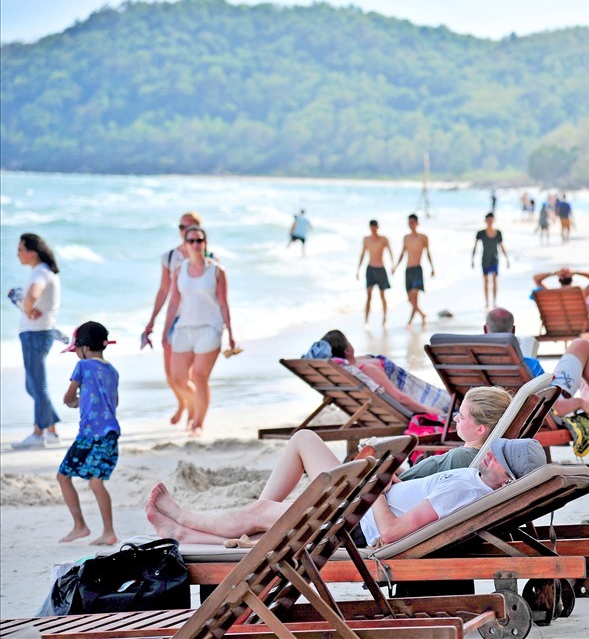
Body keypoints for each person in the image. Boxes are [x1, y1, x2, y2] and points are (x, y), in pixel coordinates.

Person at [146, 437, 546, 546]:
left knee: (260, 512)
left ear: (507, 478)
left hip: (355, 524)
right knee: (273, 506)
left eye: (498, 458)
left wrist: (374, 491)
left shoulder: (463, 490)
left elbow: (389, 534)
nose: (490, 455)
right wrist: (384, 484)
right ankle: (189, 534)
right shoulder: (473, 486)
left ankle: (184, 519)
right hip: (362, 507)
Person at [484, 308, 589, 417]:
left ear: (485, 330)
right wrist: (580, 402)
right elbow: (555, 408)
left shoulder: (468, 364)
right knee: (581, 345)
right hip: (537, 415)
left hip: (493, 415)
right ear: (514, 330)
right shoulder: (527, 364)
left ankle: (586, 390)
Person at [161, 225, 236, 436]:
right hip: (184, 329)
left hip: (210, 328)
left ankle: (198, 423)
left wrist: (230, 333)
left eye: (199, 240)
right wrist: (165, 331)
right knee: (177, 379)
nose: (195, 244)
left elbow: (223, 303)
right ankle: (194, 405)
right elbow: (174, 302)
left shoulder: (217, 271)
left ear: (205, 243)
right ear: (185, 245)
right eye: (191, 241)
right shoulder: (179, 270)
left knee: (199, 378)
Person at [57, 322, 119, 545]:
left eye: (75, 351)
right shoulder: (112, 370)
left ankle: (80, 526)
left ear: (83, 348)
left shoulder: (82, 368)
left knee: (63, 476)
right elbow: (113, 401)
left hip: (89, 435)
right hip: (110, 433)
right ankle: (108, 531)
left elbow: (69, 396)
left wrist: (72, 402)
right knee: (96, 482)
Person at [143, 211, 201, 426]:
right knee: (172, 375)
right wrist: (152, 321)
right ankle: (184, 403)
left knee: (192, 374)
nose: (185, 231)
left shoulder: (208, 257)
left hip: (198, 321)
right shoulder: (170, 257)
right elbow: (163, 290)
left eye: (190, 226)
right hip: (175, 320)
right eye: (181, 227)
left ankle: (196, 412)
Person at [309, 330, 450, 416]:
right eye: (348, 341)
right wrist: (428, 410)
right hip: (431, 400)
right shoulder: (366, 369)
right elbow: (400, 398)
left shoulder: (351, 367)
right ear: (347, 350)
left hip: (429, 391)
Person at [13, 233, 62, 449]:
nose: (18, 254)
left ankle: (37, 433)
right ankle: (51, 430)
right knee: (31, 385)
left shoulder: (40, 272)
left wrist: (26, 307)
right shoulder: (43, 271)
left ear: (31, 252)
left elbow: (33, 295)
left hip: (35, 334)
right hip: (39, 333)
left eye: (20, 249)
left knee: (37, 385)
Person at [393, 214, 435, 328]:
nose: (410, 224)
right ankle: (422, 314)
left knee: (415, 297)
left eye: (412, 222)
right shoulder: (406, 238)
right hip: (408, 270)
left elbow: (428, 253)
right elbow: (402, 253)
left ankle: (410, 321)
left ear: (417, 223)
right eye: (409, 222)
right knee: (409, 298)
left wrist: (432, 268)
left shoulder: (423, 237)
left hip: (417, 270)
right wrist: (396, 266)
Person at [356, 220, 394, 327]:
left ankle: (385, 318)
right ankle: (366, 320)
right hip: (370, 270)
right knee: (368, 295)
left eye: (375, 227)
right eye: (371, 227)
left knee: (382, 295)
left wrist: (393, 264)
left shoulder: (383, 239)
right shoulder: (366, 239)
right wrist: (358, 269)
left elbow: (390, 252)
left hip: (381, 269)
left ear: (377, 227)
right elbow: (362, 254)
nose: (373, 229)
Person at [472, 213, 510, 309]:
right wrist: (472, 259)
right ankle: (486, 303)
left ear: (494, 220)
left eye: (491, 219)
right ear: (485, 221)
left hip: (495, 259)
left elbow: (501, 246)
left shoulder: (498, 233)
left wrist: (507, 258)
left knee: (494, 279)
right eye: (488, 220)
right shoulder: (480, 233)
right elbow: (475, 247)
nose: (489, 221)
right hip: (485, 260)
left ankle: (494, 302)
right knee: (486, 281)